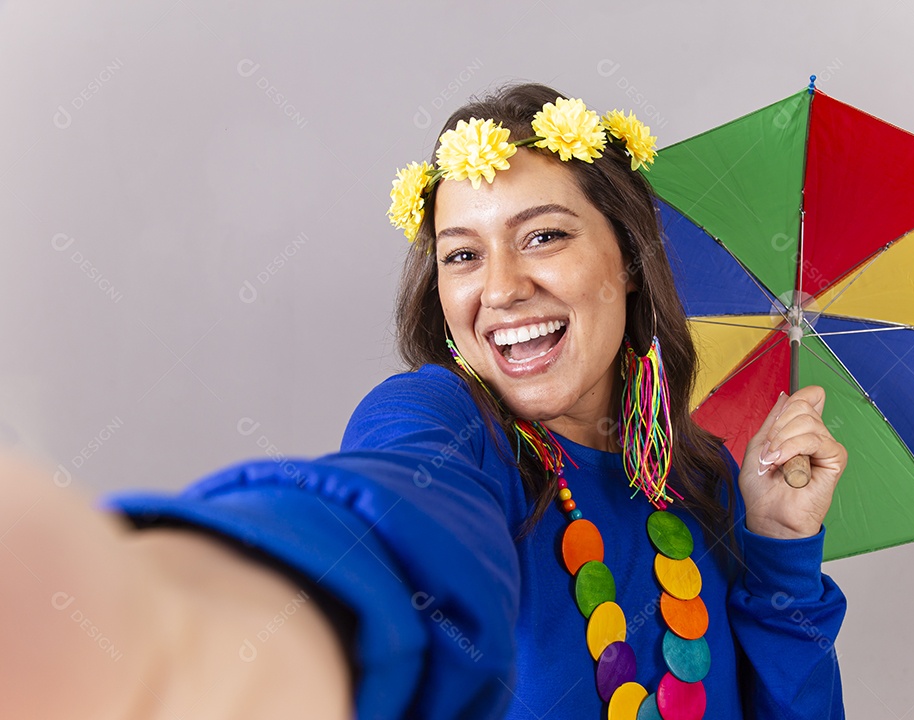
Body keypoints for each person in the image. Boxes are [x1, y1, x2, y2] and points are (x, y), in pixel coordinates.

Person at [0, 82, 847, 719]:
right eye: (462, 255)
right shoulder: (443, 423)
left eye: (543, 236)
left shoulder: (697, 477)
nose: (504, 289)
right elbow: (391, 513)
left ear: (625, 258)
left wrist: (779, 547)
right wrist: (202, 616)